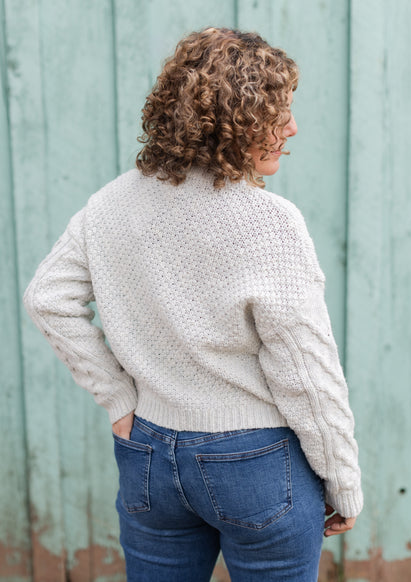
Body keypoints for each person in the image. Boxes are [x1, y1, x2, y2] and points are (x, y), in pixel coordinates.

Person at [23, 26, 363, 582]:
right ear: (230, 120)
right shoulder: (271, 223)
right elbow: (306, 368)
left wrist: (119, 400)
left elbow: (47, 298)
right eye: (275, 114)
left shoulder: (111, 202)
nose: (292, 128)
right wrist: (343, 480)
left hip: (149, 456)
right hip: (257, 464)